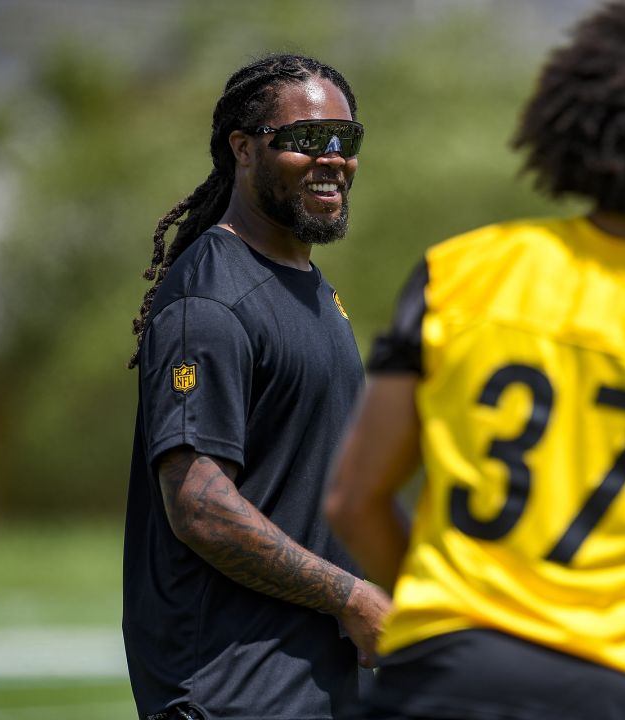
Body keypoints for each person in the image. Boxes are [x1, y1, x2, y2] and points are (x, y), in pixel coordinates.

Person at [325, 4, 625, 719]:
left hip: (431, 685)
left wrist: (459, 626)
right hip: (611, 692)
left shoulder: (460, 271)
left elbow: (354, 500)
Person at [121, 53, 389, 720]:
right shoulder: (210, 302)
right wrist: (351, 598)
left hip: (310, 681)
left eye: (345, 139)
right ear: (243, 148)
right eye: (304, 139)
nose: (333, 158)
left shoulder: (309, 287)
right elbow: (200, 505)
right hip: (233, 691)